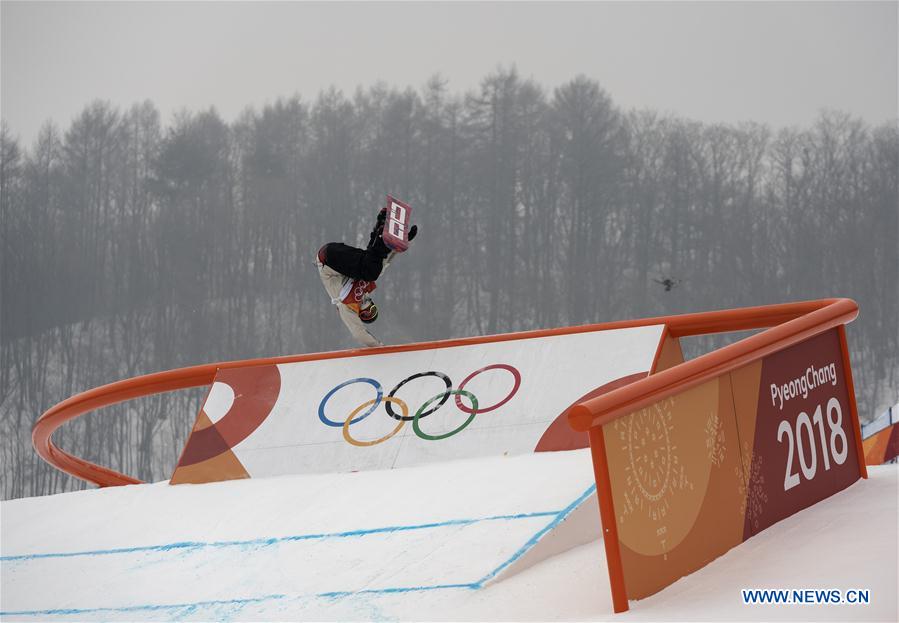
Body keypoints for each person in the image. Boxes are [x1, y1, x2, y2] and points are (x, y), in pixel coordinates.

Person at [316, 208, 417, 347]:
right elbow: (383, 263)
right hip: (336, 254)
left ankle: (381, 236)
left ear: (360, 314)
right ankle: (381, 225)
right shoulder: (364, 287)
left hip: (327, 262)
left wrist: (378, 347)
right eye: (372, 309)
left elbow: (359, 333)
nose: (369, 309)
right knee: (371, 264)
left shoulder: (346, 308)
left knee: (371, 271)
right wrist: (399, 245)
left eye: (367, 314)